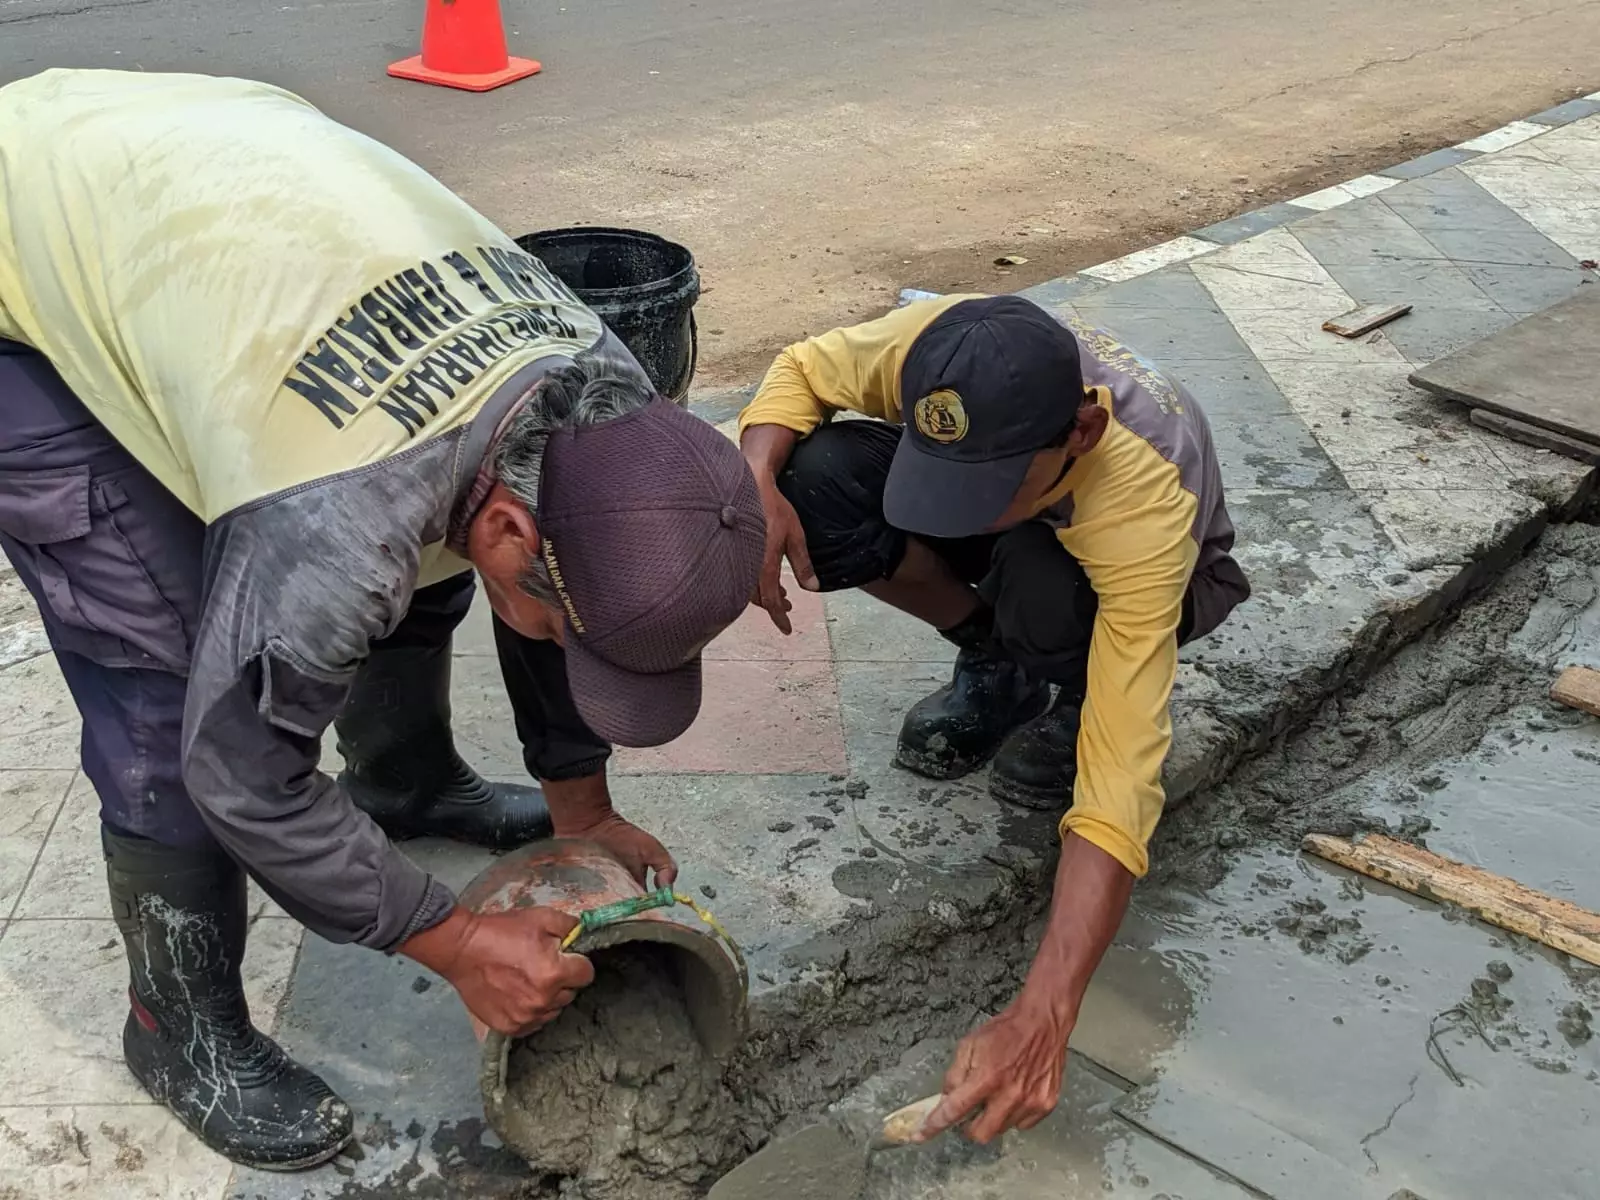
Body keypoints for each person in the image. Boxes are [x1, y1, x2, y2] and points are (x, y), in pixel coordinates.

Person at [0, 69, 765, 1170]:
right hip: (35, 243)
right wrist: (451, 942)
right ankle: (177, 1030)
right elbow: (243, 771)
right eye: (571, 632)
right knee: (170, 685)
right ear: (514, 525)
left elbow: (549, 562)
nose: (562, 637)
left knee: (429, 545)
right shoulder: (336, 523)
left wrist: (582, 812)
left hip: (210, 180)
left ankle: (404, 782)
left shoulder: (599, 388)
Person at [738, 293, 1250, 1143]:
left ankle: (1066, 676)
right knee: (815, 475)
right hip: (1031, 511)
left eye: (984, 486)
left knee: (1043, 596)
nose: (951, 517)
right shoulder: (939, 347)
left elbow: (1121, 779)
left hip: (1132, 571)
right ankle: (995, 660)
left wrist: (1045, 1014)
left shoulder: (1143, 497)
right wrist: (754, 485)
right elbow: (798, 369)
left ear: (1080, 433)